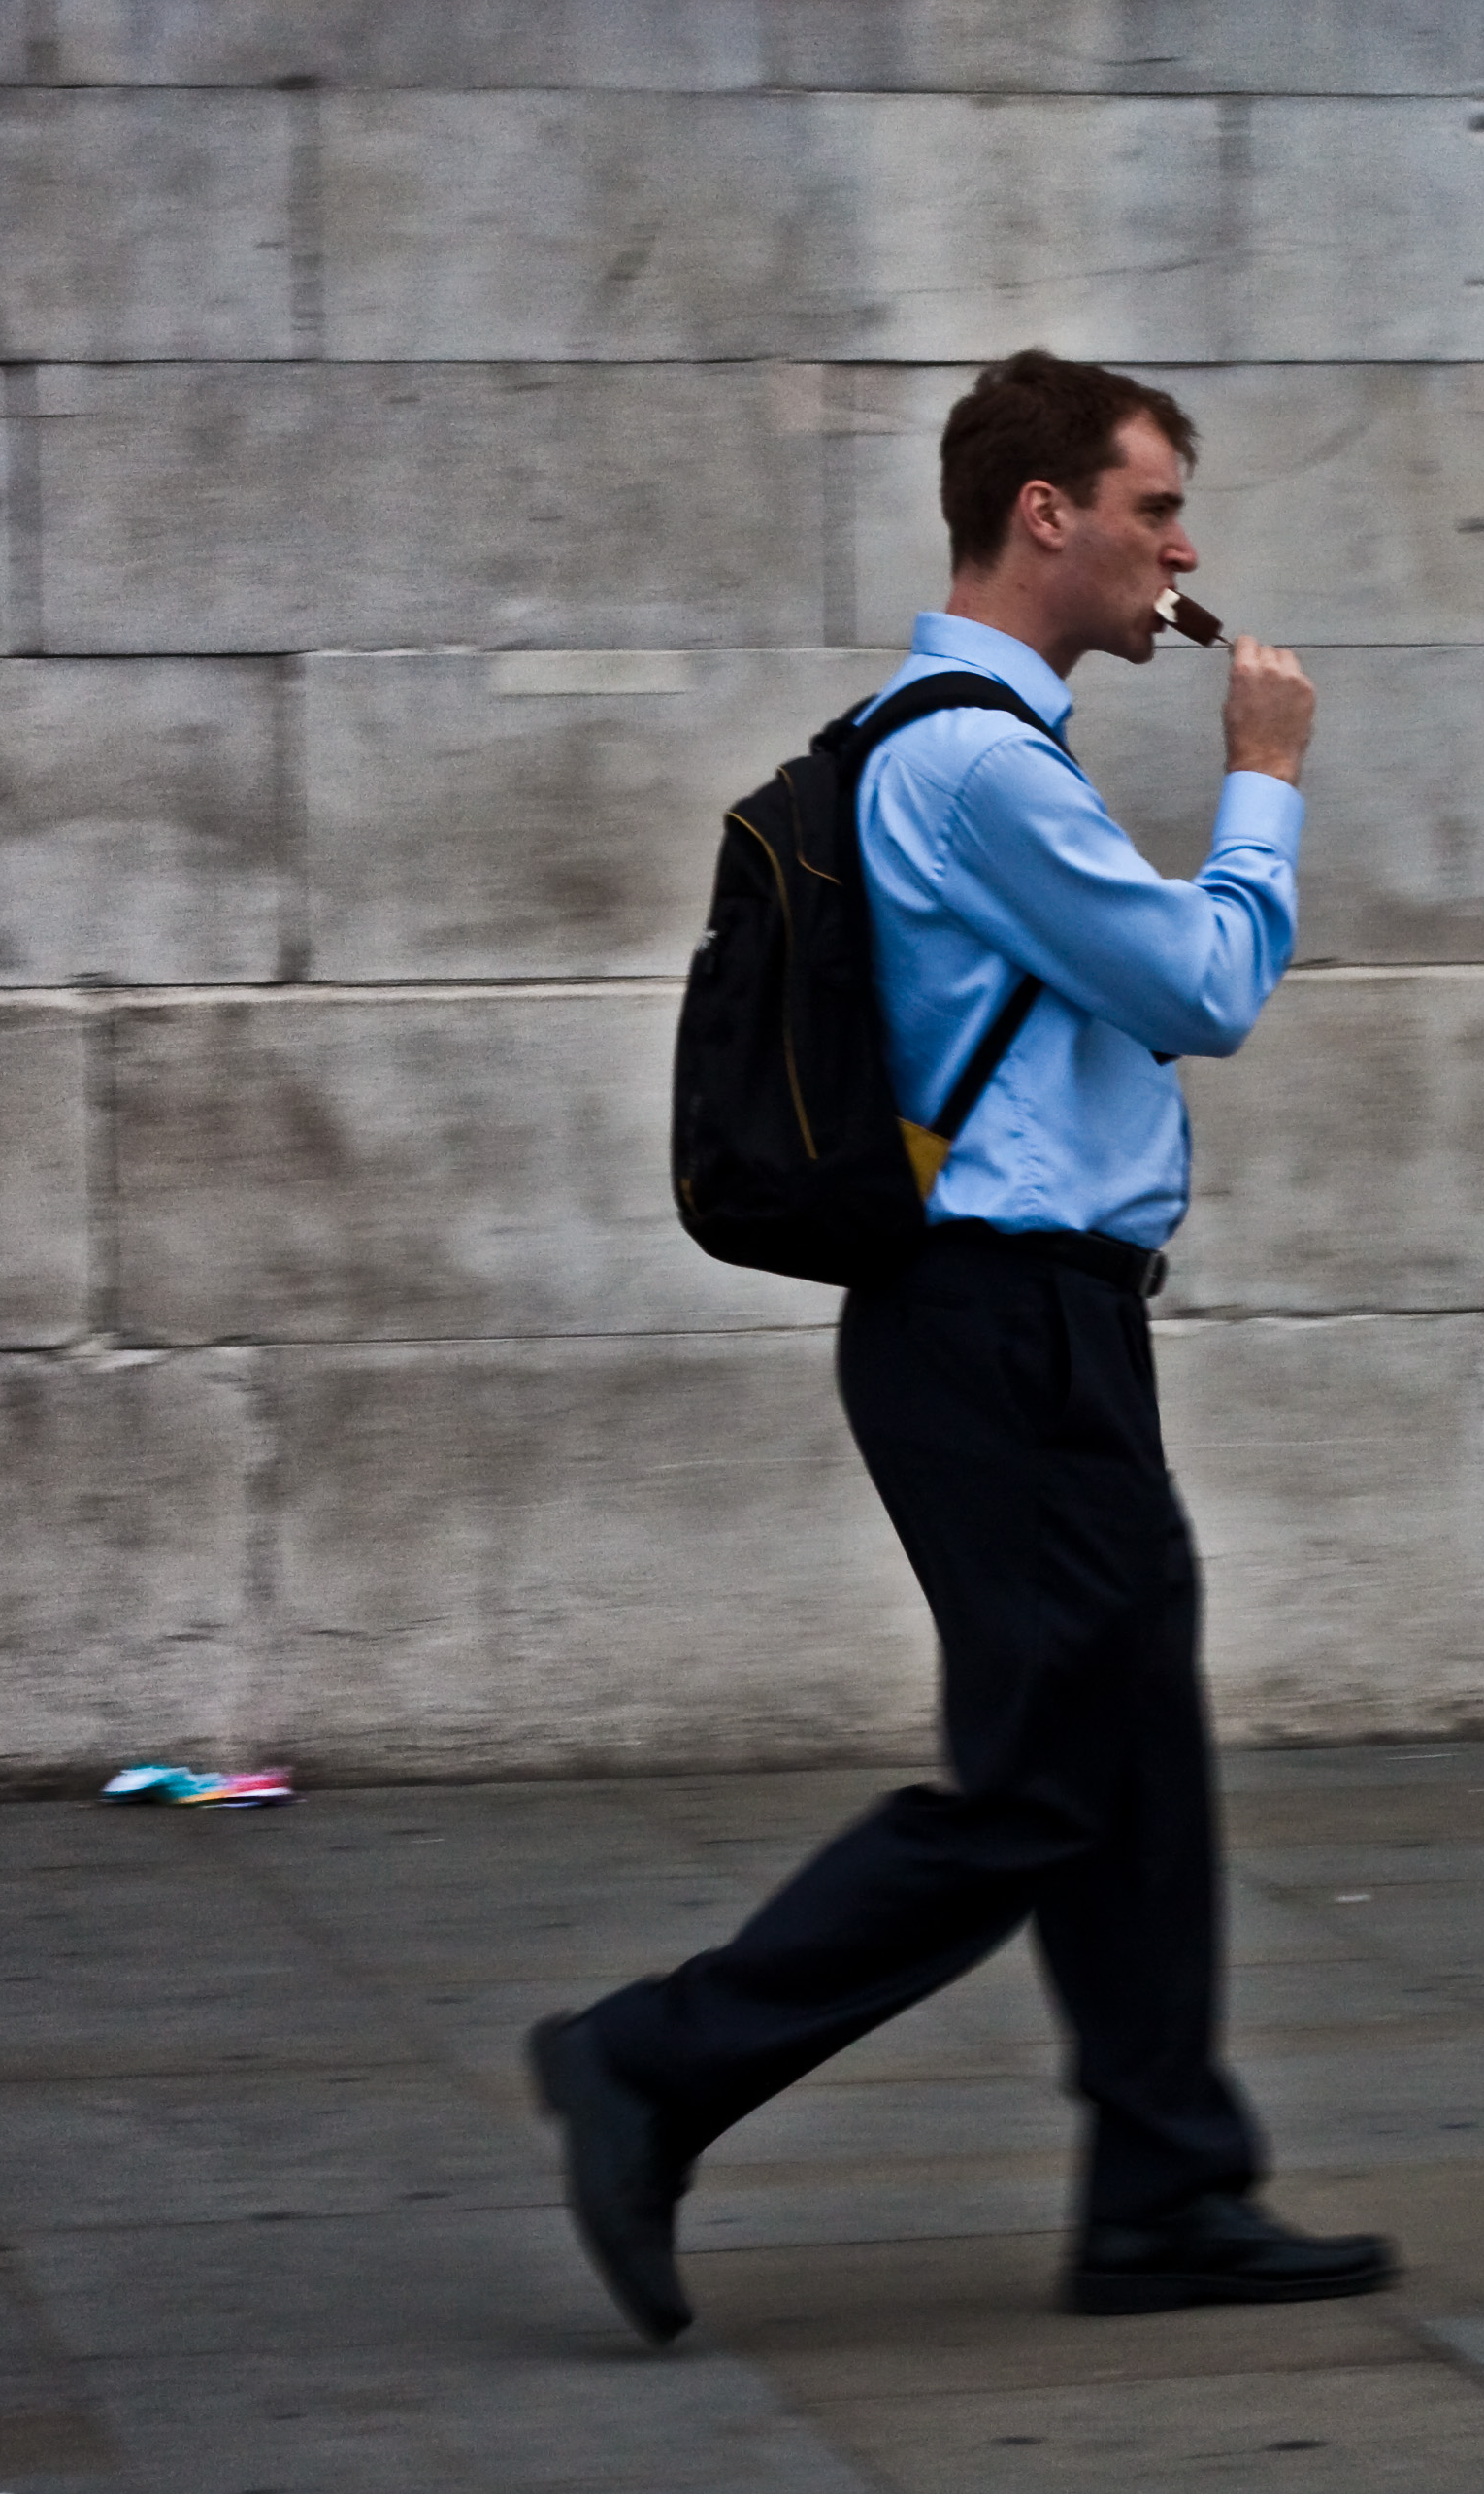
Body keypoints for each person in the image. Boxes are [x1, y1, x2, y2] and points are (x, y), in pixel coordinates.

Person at [528, 350, 1396, 2344]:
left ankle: (1167, 2188)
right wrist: (1264, 775)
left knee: (1130, 1761)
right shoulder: (975, 764)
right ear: (1047, 517)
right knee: (1039, 1783)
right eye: (1156, 505)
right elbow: (1205, 985)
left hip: (1039, 1328)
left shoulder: (974, 745)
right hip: (995, 1327)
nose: (1184, 548)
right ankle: (654, 2062)